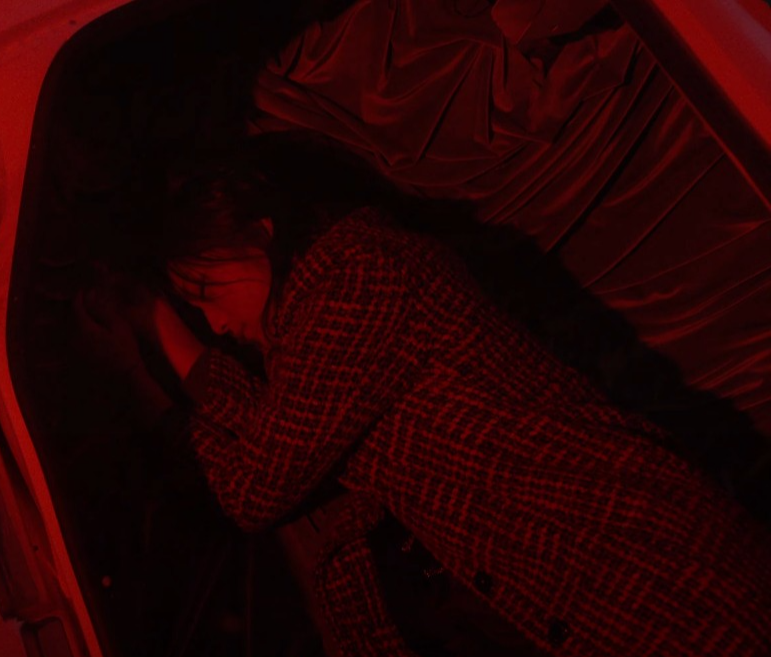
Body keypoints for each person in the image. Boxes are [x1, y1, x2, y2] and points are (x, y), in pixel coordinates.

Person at [73, 162, 771, 656]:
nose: (217, 323)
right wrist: (155, 338)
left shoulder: (355, 279)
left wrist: (159, 330)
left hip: (640, 561)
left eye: (207, 291)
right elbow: (272, 438)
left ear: (258, 234)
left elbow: (256, 484)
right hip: (595, 574)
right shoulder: (313, 329)